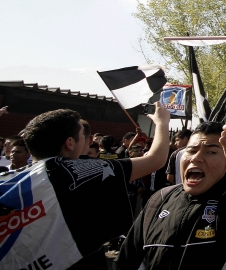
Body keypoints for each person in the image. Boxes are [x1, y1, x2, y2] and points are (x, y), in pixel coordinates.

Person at [0, 102, 170, 270]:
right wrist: (162, 122)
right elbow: (156, 159)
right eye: (82, 135)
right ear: (70, 143)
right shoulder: (79, 171)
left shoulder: (6, 178)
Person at [116, 111, 226, 269]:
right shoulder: (159, 200)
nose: (196, 158)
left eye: (211, 151)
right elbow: (126, 261)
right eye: (192, 150)